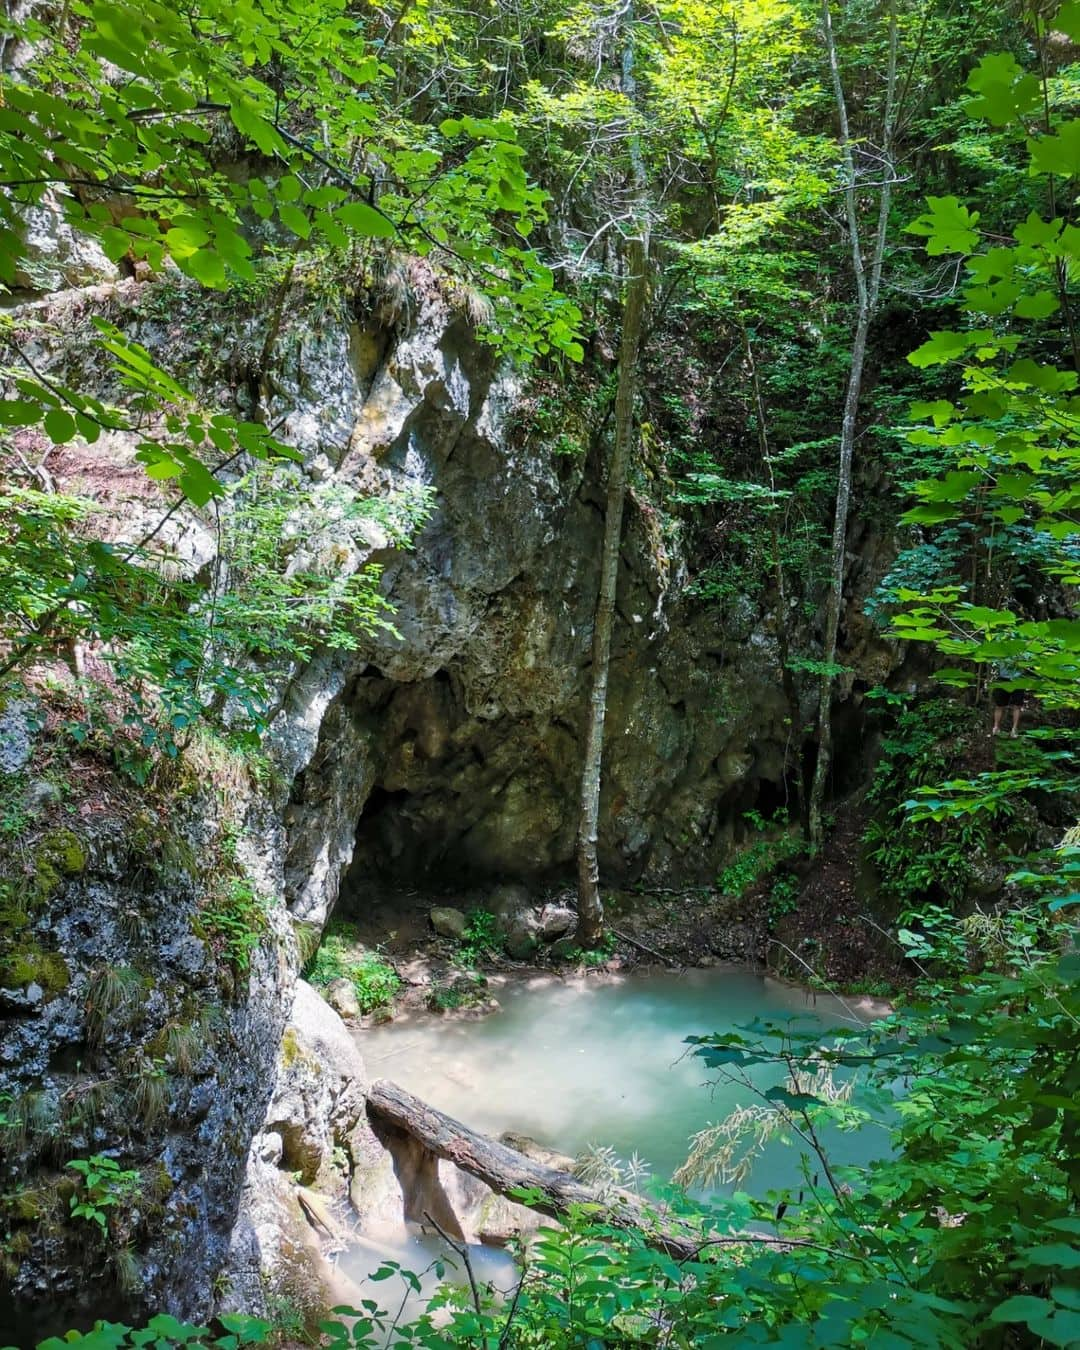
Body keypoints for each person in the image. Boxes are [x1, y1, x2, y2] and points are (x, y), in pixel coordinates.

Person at [991, 661, 1024, 738]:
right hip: (1003, 679)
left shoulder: (1022, 653)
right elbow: (995, 663)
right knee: (999, 705)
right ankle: (996, 728)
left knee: (1017, 705)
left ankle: (1014, 729)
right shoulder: (1002, 653)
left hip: (1018, 679)